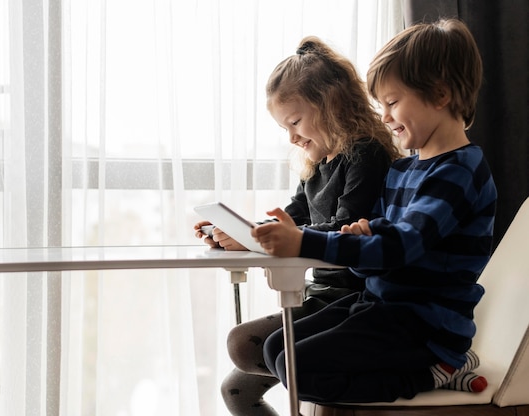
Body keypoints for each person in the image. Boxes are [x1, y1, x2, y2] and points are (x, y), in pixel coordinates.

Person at [254, 18, 497, 404]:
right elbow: (384, 238)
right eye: (381, 104)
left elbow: (402, 246)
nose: (384, 116)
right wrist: (363, 235)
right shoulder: (403, 169)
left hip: (424, 325)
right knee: (273, 350)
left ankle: (430, 372)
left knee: (296, 369)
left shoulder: (459, 172)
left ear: (440, 94)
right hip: (381, 304)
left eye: (393, 102)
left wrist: (306, 241)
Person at [194, 36, 402, 415]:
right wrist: (240, 234)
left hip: (352, 298)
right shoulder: (316, 168)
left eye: (295, 122)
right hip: (318, 294)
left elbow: (344, 226)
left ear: (332, 106)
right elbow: (290, 219)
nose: (291, 137)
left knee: (242, 345)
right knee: (236, 391)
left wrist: (283, 236)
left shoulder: (366, 154)